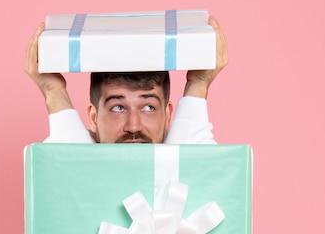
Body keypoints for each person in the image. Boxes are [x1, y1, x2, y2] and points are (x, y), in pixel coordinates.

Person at [24, 16, 229, 144]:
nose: (133, 127)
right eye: (118, 108)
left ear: (168, 116)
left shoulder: (192, 160)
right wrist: (54, 92)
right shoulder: (56, 162)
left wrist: (199, 83)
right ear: (93, 118)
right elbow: (68, 166)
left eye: (148, 107)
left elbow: (197, 162)